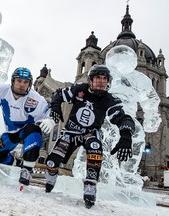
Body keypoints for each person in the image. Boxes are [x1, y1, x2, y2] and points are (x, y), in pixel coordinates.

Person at [44, 64, 135, 208]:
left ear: (108, 81)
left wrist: (126, 136)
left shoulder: (109, 99)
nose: (101, 81)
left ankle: (90, 187)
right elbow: (58, 94)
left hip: (91, 133)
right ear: (90, 80)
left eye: (104, 78)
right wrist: (55, 107)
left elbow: (124, 118)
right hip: (71, 132)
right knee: (51, 161)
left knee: (95, 148)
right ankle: (50, 181)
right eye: (98, 78)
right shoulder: (79, 90)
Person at [0, 67, 55, 186]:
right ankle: (16, 163)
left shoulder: (35, 98)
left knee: (34, 129)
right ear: (13, 81)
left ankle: (27, 170)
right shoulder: (1, 90)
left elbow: (47, 112)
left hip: (27, 130)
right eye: (19, 81)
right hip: (11, 132)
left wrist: (50, 120)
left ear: (29, 84)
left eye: (25, 82)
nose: (22, 85)